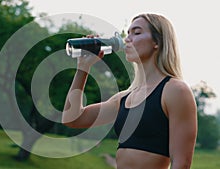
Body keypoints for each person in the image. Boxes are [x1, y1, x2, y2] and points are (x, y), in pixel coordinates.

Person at [62, 13, 197, 169]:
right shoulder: (124, 98)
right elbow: (72, 118)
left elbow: (181, 163)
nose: (127, 39)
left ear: (157, 42)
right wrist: (83, 68)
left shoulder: (175, 91)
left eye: (137, 33)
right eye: (127, 34)